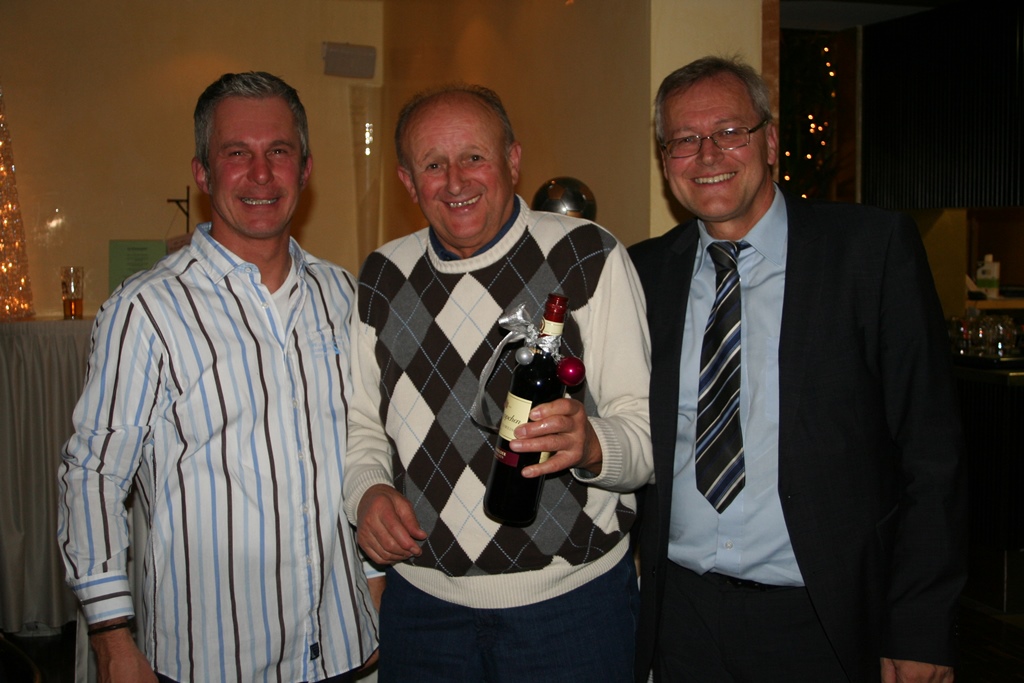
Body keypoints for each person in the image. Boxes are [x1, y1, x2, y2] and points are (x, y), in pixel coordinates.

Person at [629, 56, 967, 683]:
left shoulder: (870, 251)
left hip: (824, 621)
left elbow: (932, 453)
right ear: (665, 159)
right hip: (680, 618)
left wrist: (921, 626)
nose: (708, 155)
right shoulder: (641, 274)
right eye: (684, 140)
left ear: (771, 141)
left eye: (730, 131)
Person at [57, 71, 379, 683]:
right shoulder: (145, 310)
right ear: (203, 174)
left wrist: (374, 579)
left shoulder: (343, 295)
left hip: (341, 649)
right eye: (236, 153)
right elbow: (93, 476)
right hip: (210, 660)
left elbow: (365, 445)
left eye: (278, 151)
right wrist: (112, 642)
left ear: (305, 169)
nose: (261, 174)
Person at [343, 83, 653, 682]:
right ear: (408, 181)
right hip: (423, 610)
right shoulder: (382, 277)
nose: (455, 181)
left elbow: (647, 433)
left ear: (513, 160)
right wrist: (367, 492)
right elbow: (362, 430)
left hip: (572, 609)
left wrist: (593, 444)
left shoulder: (587, 257)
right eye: (433, 165)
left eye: (474, 157)